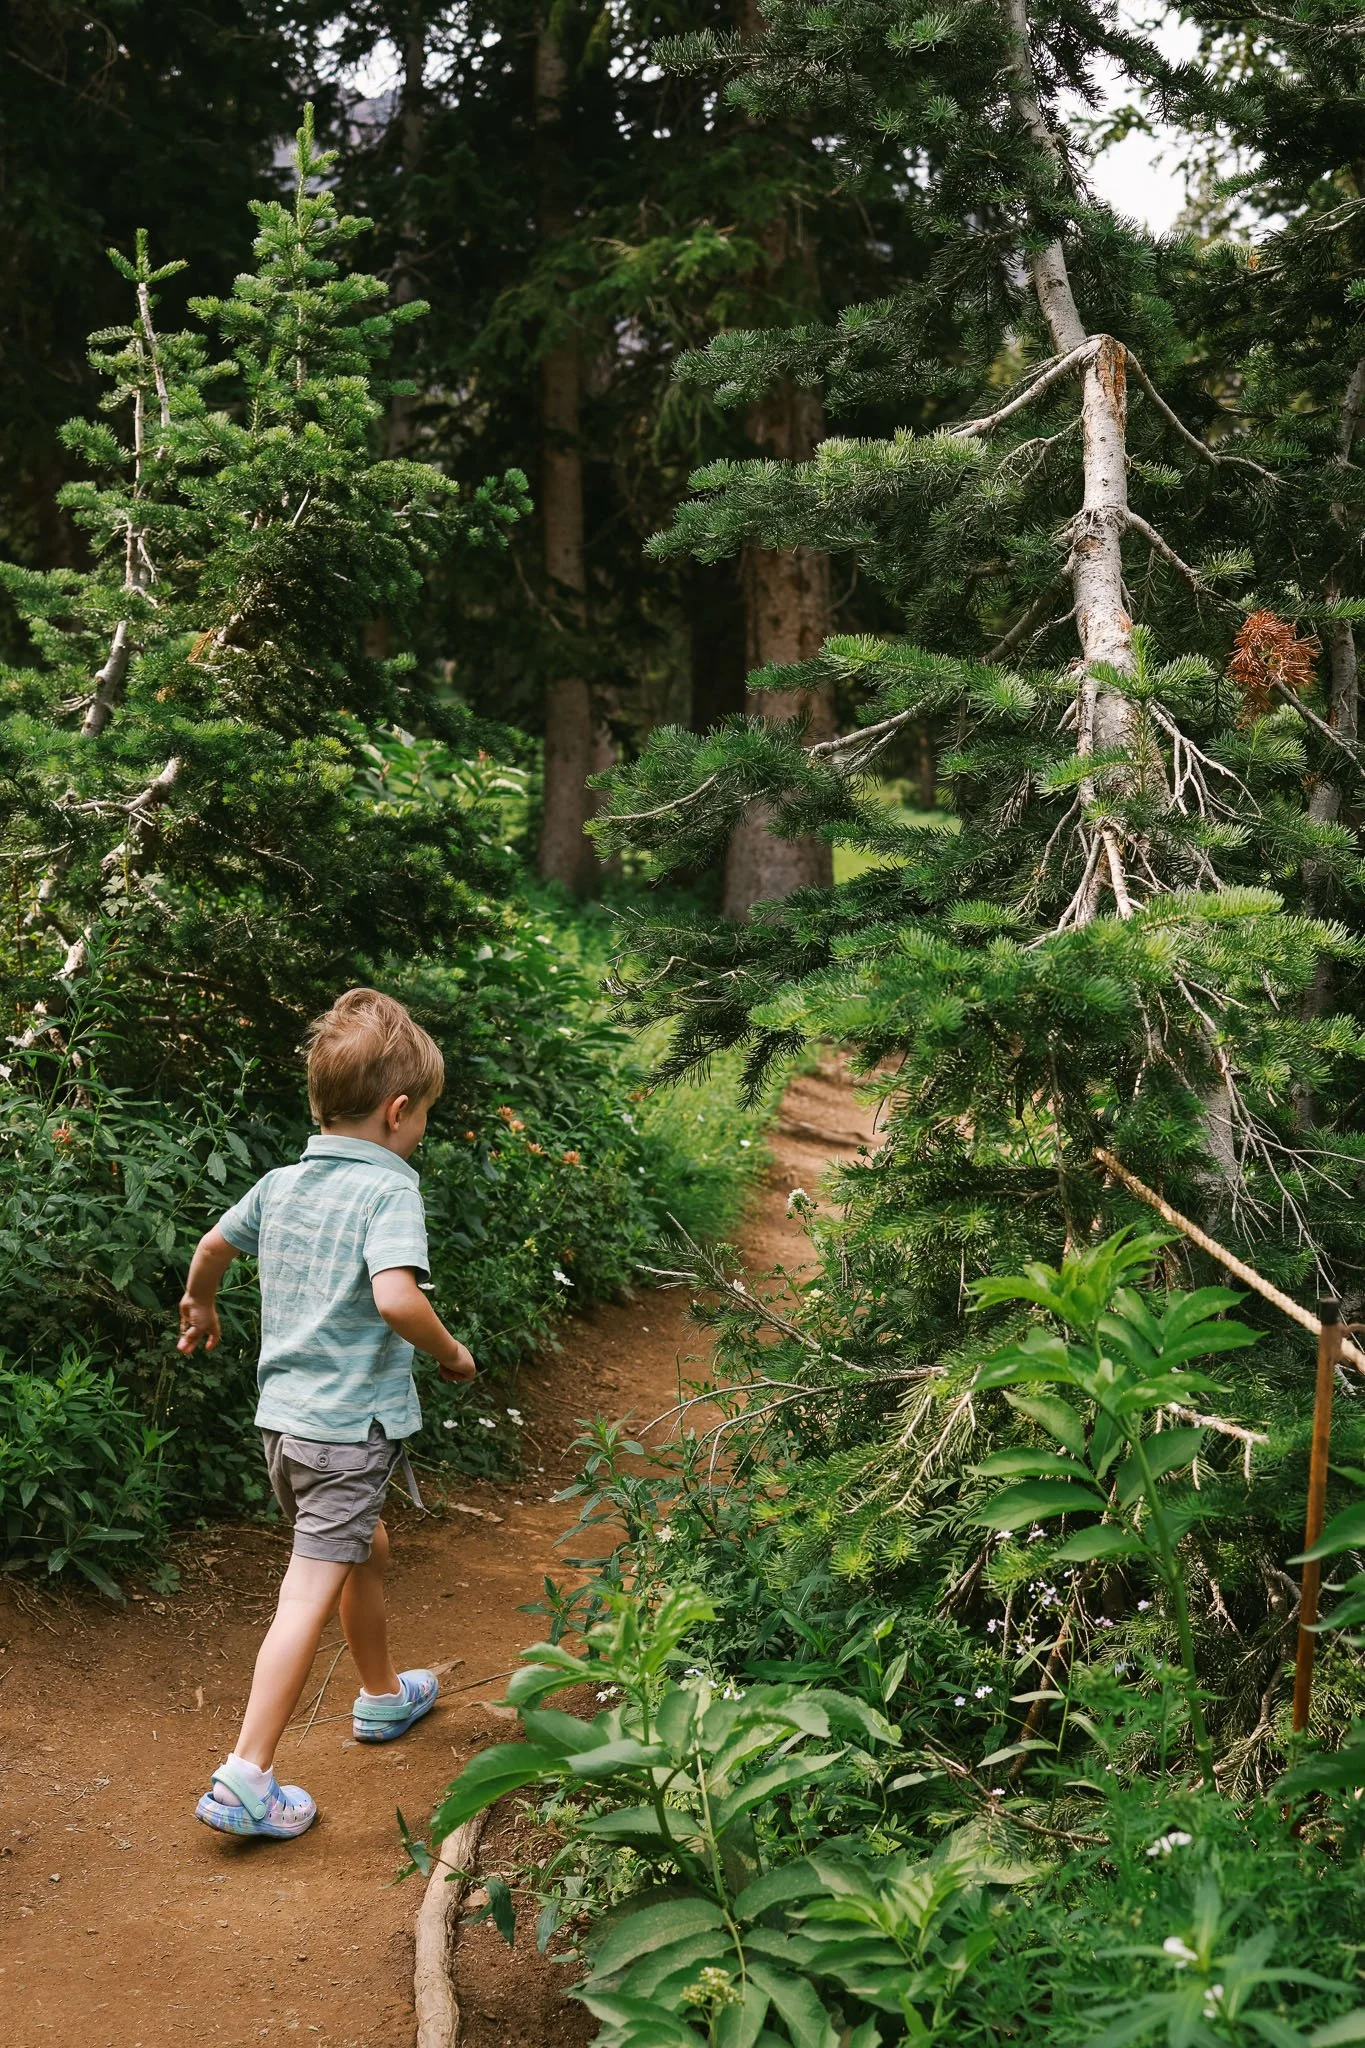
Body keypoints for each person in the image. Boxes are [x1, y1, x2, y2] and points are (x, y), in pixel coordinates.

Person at [177, 988, 477, 1840]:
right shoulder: (388, 1193)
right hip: (347, 1434)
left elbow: (212, 1246)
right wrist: (451, 1352)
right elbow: (396, 1300)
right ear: (397, 1111)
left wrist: (201, 1303)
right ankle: (247, 1774)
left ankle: (381, 1697)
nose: (421, 1130)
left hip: (286, 1427)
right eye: (423, 1115)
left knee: (363, 1548)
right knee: (308, 1590)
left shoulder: (281, 1183)